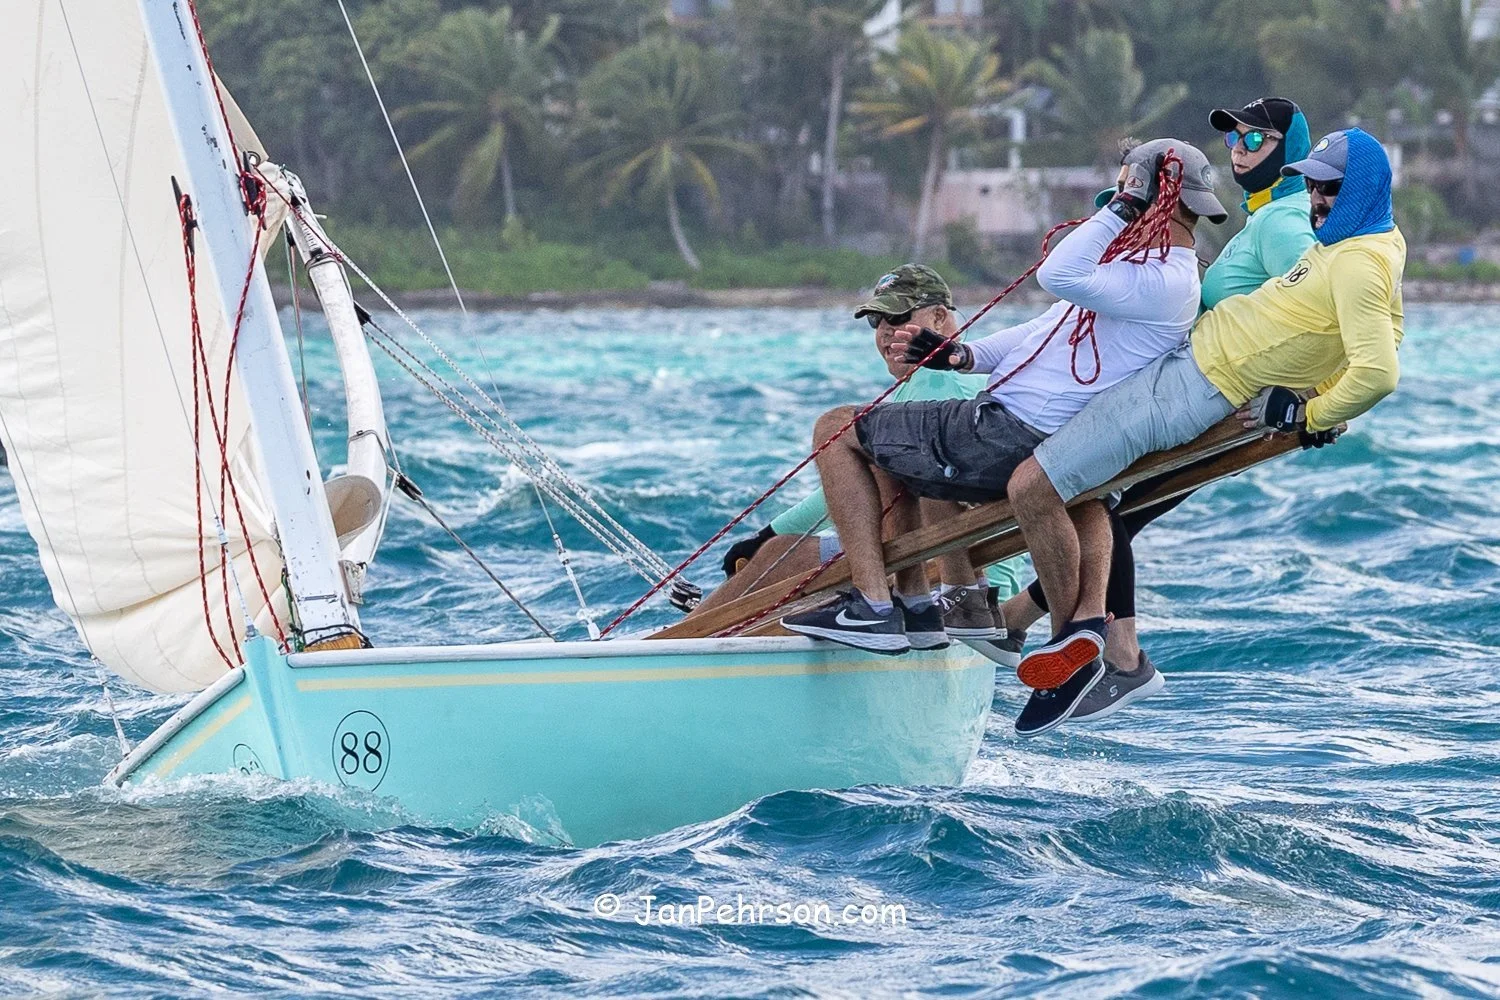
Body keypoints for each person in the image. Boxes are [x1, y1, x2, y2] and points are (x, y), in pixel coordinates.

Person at [1006, 126, 1405, 732]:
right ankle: (1075, 636)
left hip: (1195, 387)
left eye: (1331, 188)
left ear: (1365, 189)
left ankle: (1081, 645)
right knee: (1094, 492)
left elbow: (1379, 368)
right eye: (1314, 184)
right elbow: (1380, 331)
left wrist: (1314, 412)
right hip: (1192, 364)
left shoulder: (1354, 260)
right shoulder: (1353, 239)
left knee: (1045, 485)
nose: (1318, 197)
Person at [778, 137, 1228, 663]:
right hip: (1002, 424)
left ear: (1153, 198)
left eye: (1125, 191)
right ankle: (923, 608)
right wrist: (961, 357)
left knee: (836, 428)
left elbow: (1055, 274)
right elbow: (1042, 329)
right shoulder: (1136, 274)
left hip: (1009, 433)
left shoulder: (1166, 280)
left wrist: (1126, 204)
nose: (1111, 207)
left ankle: (874, 607)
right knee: (898, 446)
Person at [706, 264, 1029, 661]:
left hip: (950, 586)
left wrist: (768, 534)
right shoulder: (962, 376)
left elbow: (848, 489)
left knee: (776, 555)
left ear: (940, 318)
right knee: (786, 551)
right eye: (877, 321)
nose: (886, 332)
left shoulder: (937, 381)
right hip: (979, 595)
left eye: (898, 317)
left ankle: (672, 647)